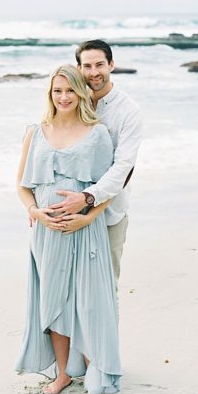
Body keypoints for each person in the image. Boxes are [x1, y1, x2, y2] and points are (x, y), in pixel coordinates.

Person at [14, 65, 122, 394]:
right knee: (53, 300)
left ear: (80, 93)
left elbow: (109, 188)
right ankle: (62, 372)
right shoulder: (36, 131)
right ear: (50, 94)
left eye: (70, 91)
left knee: (87, 301)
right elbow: (22, 186)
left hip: (85, 228)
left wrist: (88, 217)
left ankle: (91, 363)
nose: (64, 97)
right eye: (57, 91)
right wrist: (35, 212)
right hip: (47, 231)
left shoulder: (97, 133)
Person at [48, 40, 143, 286]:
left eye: (100, 64)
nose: (94, 72)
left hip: (110, 213)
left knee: (105, 286)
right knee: (70, 286)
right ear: (79, 69)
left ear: (111, 65)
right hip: (68, 211)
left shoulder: (128, 111)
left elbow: (124, 168)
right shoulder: (70, 103)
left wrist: (88, 198)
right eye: (87, 66)